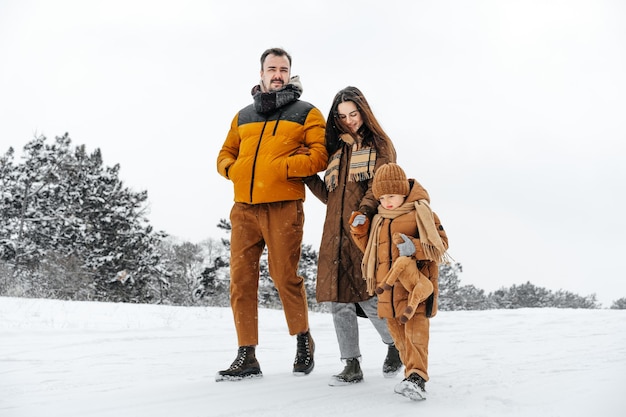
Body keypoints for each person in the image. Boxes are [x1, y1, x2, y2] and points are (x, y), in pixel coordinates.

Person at [215, 47, 328, 381]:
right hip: (244, 209)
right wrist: (233, 170)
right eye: (271, 69)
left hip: (283, 206)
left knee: (284, 277)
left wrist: (281, 168)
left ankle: (303, 340)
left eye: (283, 69)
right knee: (241, 281)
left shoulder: (307, 112)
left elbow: (320, 156)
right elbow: (224, 153)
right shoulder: (243, 116)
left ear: (289, 73)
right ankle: (246, 355)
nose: (277, 74)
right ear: (261, 74)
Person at [304, 86, 403, 386]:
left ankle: (394, 345)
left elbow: (380, 186)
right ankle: (351, 364)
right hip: (333, 233)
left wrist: (364, 211)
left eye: (354, 114)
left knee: (368, 296)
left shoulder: (380, 145)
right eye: (342, 116)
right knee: (339, 301)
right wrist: (308, 176)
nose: (349, 121)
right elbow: (330, 195)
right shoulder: (337, 150)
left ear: (364, 112)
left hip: (364, 231)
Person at [350, 163, 449, 401]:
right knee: (400, 340)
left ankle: (417, 378)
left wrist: (414, 247)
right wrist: (360, 231)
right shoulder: (379, 220)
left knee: (416, 336)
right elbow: (370, 252)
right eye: (381, 197)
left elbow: (441, 244)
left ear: (403, 191)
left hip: (415, 288)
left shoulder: (421, 213)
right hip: (388, 291)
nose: (386, 202)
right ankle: (410, 375)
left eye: (391, 195)